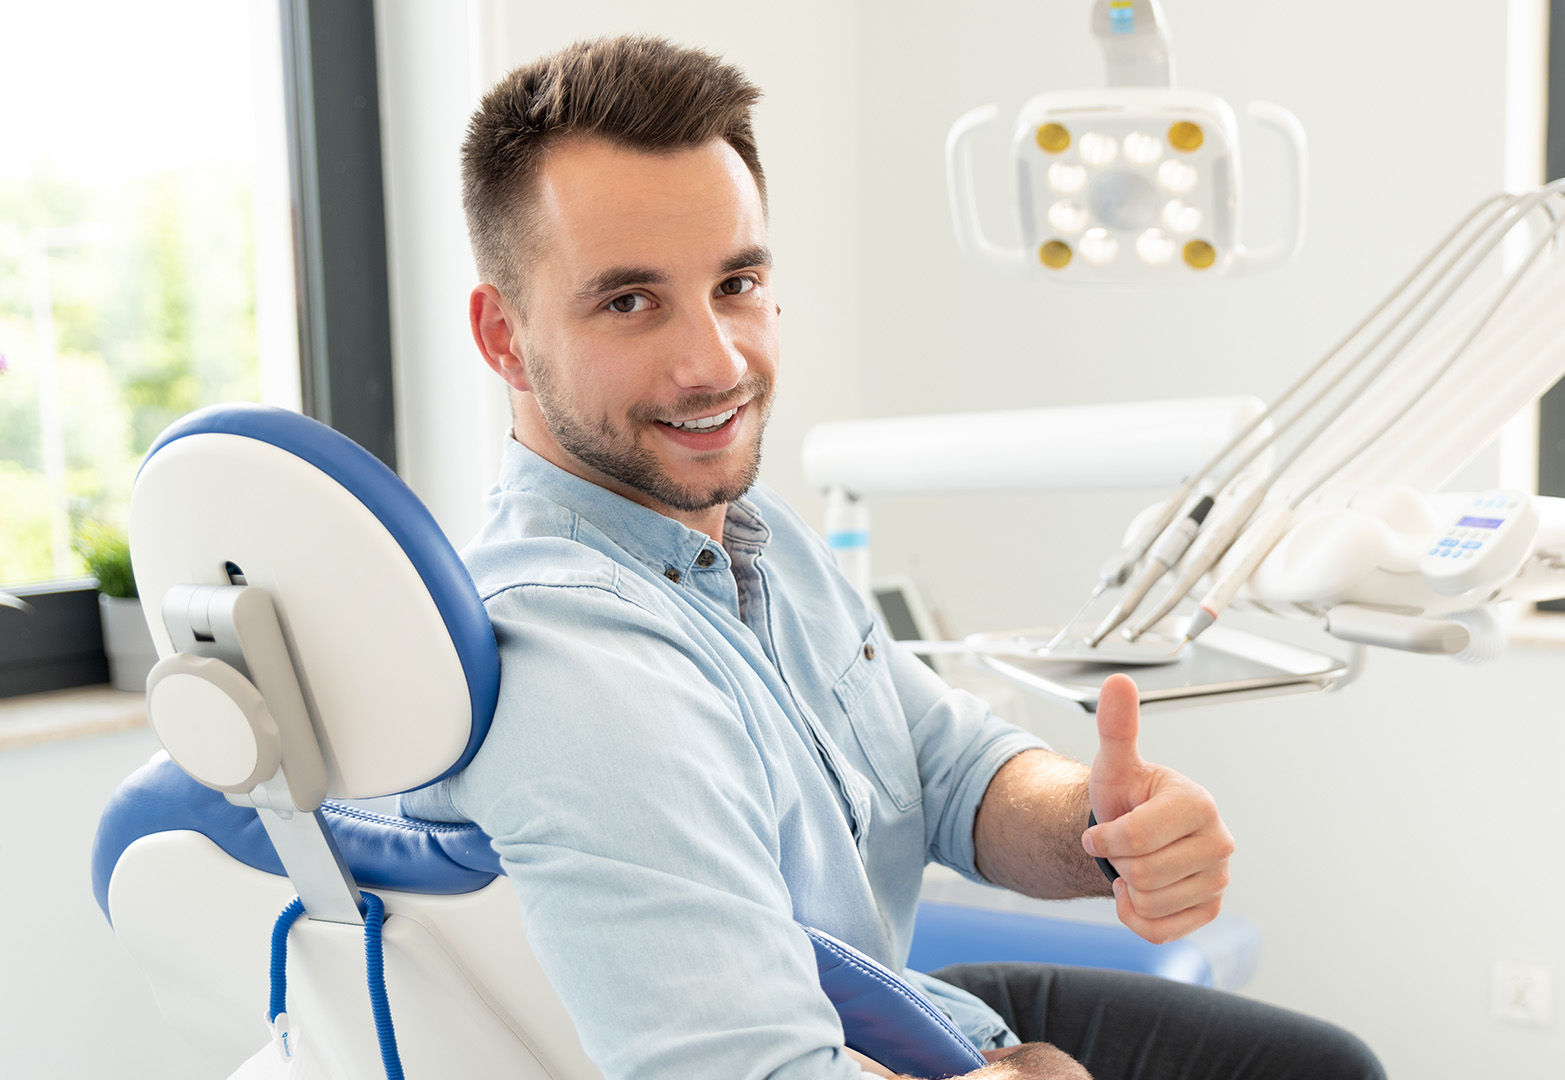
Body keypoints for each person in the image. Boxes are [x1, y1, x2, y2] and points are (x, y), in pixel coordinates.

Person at [402, 33, 1385, 1080]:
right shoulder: (579, 660)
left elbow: (947, 769)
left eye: (736, 282)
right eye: (629, 302)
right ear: (503, 336)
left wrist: (1099, 824)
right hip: (869, 1045)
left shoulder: (755, 542)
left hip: (902, 1004)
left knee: (1322, 1067)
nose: (717, 362)